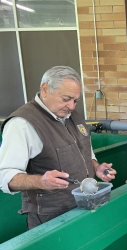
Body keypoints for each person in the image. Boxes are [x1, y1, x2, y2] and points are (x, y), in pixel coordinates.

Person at [0, 66, 116, 229]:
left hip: (84, 205)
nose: (71, 106)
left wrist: (96, 167)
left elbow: (85, 152)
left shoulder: (73, 115)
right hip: (51, 218)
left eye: (75, 100)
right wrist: (41, 181)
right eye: (66, 98)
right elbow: (5, 176)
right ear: (45, 89)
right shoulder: (22, 124)